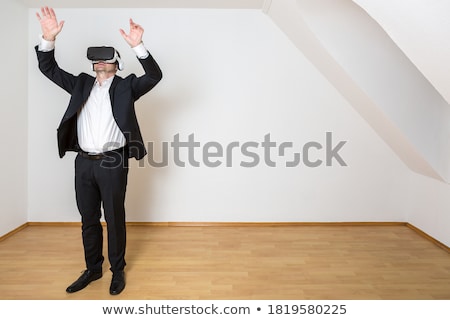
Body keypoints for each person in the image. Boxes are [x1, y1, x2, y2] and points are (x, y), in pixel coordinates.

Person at [35, 7, 162, 295]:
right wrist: (48, 38)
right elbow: (48, 68)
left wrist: (137, 46)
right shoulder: (80, 83)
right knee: (88, 218)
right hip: (84, 163)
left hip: (113, 162)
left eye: (107, 57)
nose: (101, 62)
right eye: (97, 58)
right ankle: (93, 269)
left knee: (114, 217)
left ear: (117, 63)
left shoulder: (127, 87)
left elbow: (154, 76)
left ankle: (117, 271)